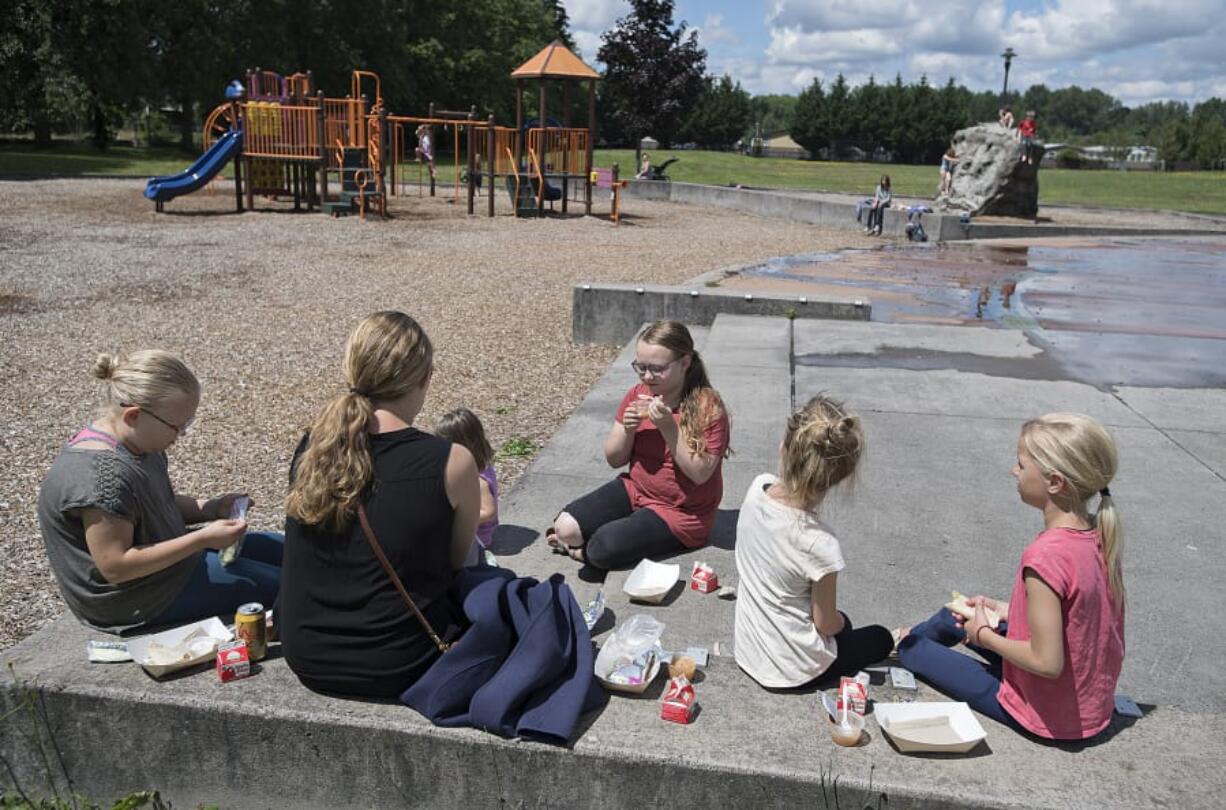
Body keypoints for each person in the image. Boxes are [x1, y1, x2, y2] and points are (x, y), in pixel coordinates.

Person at [279, 311, 480, 698]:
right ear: (425, 378)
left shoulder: (314, 446)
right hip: (400, 660)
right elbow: (455, 561)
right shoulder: (452, 462)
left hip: (307, 655)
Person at [895, 413, 1125, 740]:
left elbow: (1047, 663)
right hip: (1086, 705)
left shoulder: (1045, 556)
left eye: (1021, 464)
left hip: (1042, 714)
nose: (1013, 471)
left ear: (1055, 482)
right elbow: (1077, 614)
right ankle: (932, 632)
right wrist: (1005, 609)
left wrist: (985, 635)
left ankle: (904, 642)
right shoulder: (1100, 534)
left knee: (913, 647)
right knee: (953, 616)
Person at [37, 350, 281, 634]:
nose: (182, 435)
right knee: (286, 585)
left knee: (285, 550)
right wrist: (201, 539)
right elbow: (116, 566)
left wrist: (211, 508)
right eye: (177, 426)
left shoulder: (137, 443)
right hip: (136, 597)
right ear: (133, 415)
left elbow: (153, 504)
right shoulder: (101, 478)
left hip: (165, 567)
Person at [734, 395, 893, 690]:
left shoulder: (757, 488)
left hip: (748, 652)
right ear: (841, 476)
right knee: (879, 637)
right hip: (793, 670)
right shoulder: (819, 542)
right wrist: (842, 626)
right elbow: (825, 624)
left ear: (784, 449)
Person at [547, 321, 730, 573]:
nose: (646, 376)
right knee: (565, 528)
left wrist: (668, 426)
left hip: (681, 513)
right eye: (640, 367)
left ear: (685, 363)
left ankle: (584, 551)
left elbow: (700, 473)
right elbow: (614, 459)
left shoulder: (707, 407)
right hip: (636, 489)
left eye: (656, 369)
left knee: (601, 548)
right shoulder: (637, 394)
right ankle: (582, 543)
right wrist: (628, 430)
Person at [435, 407, 499, 566]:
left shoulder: (478, 480)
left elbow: (489, 512)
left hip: (478, 537)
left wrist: (460, 519)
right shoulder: (479, 466)